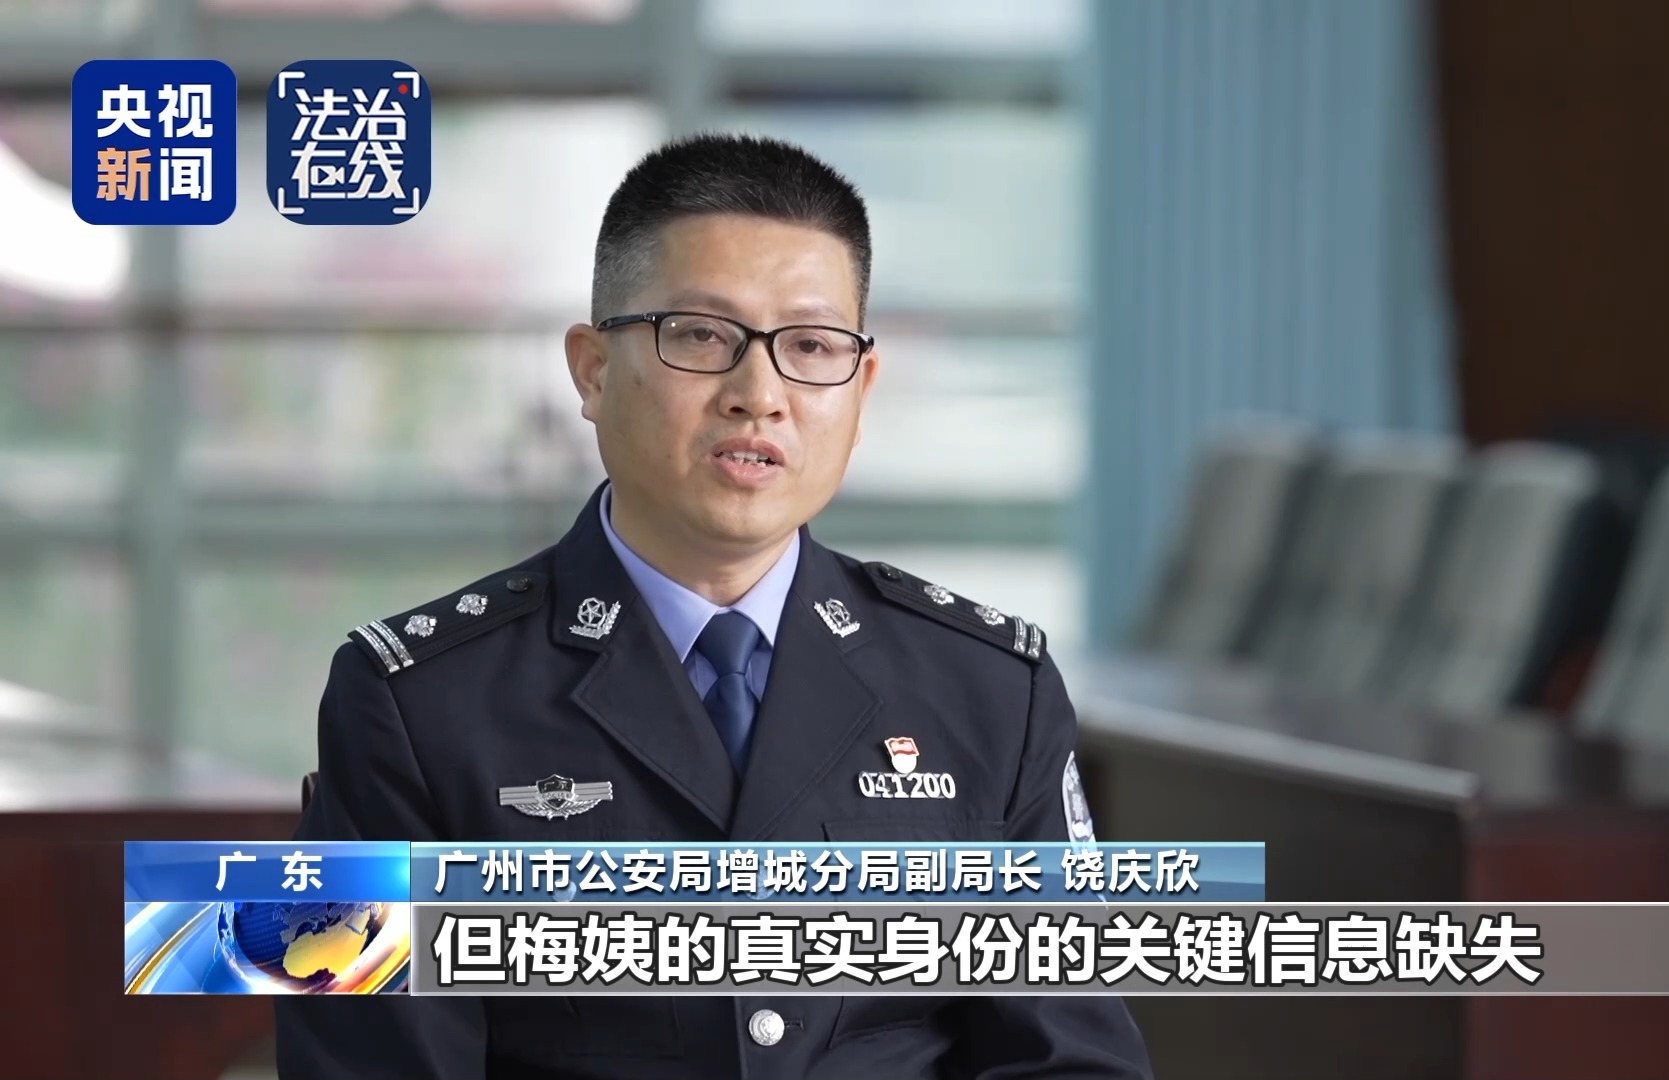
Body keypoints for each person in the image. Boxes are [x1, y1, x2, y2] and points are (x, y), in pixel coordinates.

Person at [276, 133, 1153, 1080]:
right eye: (700, 335)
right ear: (592, 370)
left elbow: (1072, 1060)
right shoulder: (413, 702)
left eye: (811, 346)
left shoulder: (991, 693)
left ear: (860, 389)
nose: (759, 395)